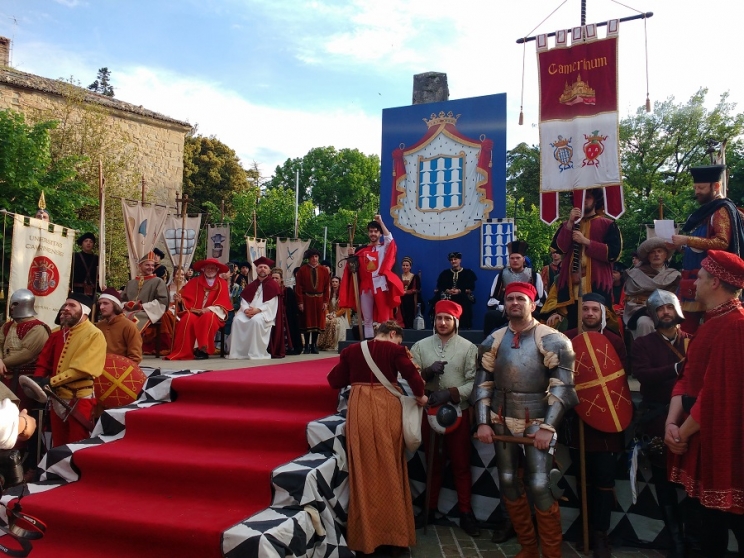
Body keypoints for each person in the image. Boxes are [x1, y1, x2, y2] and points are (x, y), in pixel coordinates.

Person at [475, 281, 578, 558]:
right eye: (510, 299)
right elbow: (483, 384)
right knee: (508, 480)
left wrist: (548, 427)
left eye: (520, 299)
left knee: (540, 484)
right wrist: (483, 421)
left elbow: (563, 388)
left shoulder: (553, 339)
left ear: (533, 304)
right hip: (501, 416)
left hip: (538, 417)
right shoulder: (493, 340)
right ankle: (529, 548)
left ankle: (552, 554)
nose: (514, 303)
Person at [665, 250, 744, 556]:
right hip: (698, 434)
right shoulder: (711, 321)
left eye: (699, 277)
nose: (693, 283)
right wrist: (672, 423)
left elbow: (717, 393)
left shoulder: (735, 325)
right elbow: (687, 376)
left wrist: (681, 433)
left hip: (723, 441)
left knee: (730, 520)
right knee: (708, 525)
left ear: (715, 282)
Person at [327, 320, 427, 555]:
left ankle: (367, 538)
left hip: (359, 409)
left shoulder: (351, 351)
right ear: (392, 334)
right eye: (398, 340)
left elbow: (334, 381)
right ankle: (395, 537)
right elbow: (413, 377)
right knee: (392, 466)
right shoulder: (395, 351)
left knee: (363, 469)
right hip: (386, 408)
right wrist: (421, 396)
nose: (398, 344)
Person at [563, 293, 627, 557]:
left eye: (594, 310)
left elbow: (619, 379)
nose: (589, 313)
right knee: (583, 479)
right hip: (577, 419)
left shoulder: (615, 341)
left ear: (602, 313)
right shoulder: (567, 338)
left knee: (603, 480)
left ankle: (600, 534)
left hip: (607, 420)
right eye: (585, 309)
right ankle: (586, 529)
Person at [409, 300, 480, 537]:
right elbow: (410, 378)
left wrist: (451, 393)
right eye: (439, 318)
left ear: (456, 321)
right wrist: (426, 373)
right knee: (432, 463)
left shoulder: (469, 348)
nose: (442, 323)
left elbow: (473, 382)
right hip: (429, 411)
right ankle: (428, 509)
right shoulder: (420, 346)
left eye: (447, 318)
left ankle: (466, 512)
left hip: (458, 412)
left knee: (461, 463)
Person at [632, 290, 690, 558]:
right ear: (653, 315)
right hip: (656, 419)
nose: (665, 312)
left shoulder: (692, 341)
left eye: (669, 307)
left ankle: (696, 539)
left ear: (677, 309)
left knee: (693, 483)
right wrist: (676, 369)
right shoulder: (643, 344)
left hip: (689, 420)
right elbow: (643, 375)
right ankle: (676, 543)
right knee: (664, 484)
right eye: (660, 309)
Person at [669, 164, 744, 333]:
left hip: (710, 281)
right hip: (694, 279)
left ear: (715, 186)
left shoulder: (721, 210)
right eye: (695, 188)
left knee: (708, 329)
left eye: (701, 188)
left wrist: (687, 239)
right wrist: (681, 247)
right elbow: (700, 249)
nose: (697, 192)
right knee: (686, 330)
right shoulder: (708, 211)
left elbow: (722, 243)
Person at [34, 293, 106, 446]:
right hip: (56, 397)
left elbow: (82, 369)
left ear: (84, 311)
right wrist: (37, 381)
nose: (66, 308)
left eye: (72, 305)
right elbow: (45, 362)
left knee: (76, 444)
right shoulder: (59, 334)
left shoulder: (94, 334)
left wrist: (50, 382)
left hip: (78, 399)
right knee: (58, 444)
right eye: (65, 305)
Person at [546, 188, 622, 330]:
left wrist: (586, 242)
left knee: (599, 326)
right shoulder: (567, 225)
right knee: (572, 326)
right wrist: (570, 223)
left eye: (588, 197)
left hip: (597, 284)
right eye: (580, 197)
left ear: (595, 200)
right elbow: (559, 248)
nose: (584, 200)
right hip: (572, 286)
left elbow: (613, 253)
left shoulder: (607, 224)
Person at [340, 215, 404, 339]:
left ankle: (386, 343)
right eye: (371, 231)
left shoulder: (383, 248)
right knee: (367, 319)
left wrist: (380, 221)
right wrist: (351, 257)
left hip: (380, 285)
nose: (373, 233)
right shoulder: (361, 251)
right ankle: (369, 344)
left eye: (375, 231)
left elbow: (390, 239)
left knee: (385, 318)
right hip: (365, 287)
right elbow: (353, 268)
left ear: (380, 234)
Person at [167, 258, 232, 360]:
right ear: (203, 269)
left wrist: (209, 309)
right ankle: (183, 351)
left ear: (217, 270)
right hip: (195, 312)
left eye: (213, 268)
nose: (210, 270)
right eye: (208, 268)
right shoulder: (194, 281)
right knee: (187, 318)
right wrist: (180, 300)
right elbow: (186, 298)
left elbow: (223, 302)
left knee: (207, 317)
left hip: (213, 313)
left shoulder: (222, 283)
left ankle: (203, 349)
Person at [621, 237, 681, 339]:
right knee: (644, 323)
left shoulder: (674, 275)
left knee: (675, 325)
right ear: (648, 257)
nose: (656, 254)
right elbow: (631, 298)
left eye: (659, 251)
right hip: (640, 309)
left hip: (666, 310)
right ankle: (644, 349)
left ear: (666, 255)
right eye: (652, 252)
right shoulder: (635, 274)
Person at [0, 289, 51, 408]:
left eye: (15, 304)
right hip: (5, 378)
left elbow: (27, 354)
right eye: (12, 304)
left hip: (24, 380)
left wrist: (3, 362)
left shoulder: (38, 328)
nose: (12, 307)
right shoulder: (7, 326)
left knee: (21, 412)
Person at [484, 240, 544, 335]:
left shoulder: (534, 275)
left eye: (518, 258)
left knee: (536, 315)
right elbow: (493, 297)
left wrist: (526, 308)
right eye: (512, 258)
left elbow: (540, 299)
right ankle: (490, 342)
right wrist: (504, 308)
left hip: (527, 309)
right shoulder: (501, 275)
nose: (515, 260)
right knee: (490, 315)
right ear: (509, 260)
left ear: (523, 259)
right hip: (505, 310)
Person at [121, 252, 174, 355]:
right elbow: (122, 299)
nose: (151, 267)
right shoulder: (131, 283)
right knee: (118, 318)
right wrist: (126, 304)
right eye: (147, 265)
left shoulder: (158, 281)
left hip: (147, 312)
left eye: (152, 265)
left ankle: (133, 347)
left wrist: (143, 306)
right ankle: (119, 345)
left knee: (134, 318)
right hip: (128, 311)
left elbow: (162, 301)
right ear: (139, 266)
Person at [228, 257, 280, 360]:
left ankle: (255, 353)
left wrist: (257, 310)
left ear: (269, 271)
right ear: (256, 270)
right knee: (237, 320)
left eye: (265, 267)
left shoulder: (273, 285)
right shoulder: (252, 284)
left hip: (263, 312)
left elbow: (271, 303)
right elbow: (244, 300)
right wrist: (246, 309)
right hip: (248, 311)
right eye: (260, 267)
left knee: (256, 321)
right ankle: (238, 353)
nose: (262, 269)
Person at [295, 248, 330, 354]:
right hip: (307, 299)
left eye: (316, 256)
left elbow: (326, 287)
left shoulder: (324, 270)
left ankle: (314, 345)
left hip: (319, 299)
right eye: (312, 257)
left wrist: (325, 302)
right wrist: (300, 302)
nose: (314, 259)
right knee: (307, 322)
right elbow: (298, 287)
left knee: (317, 322)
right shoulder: (302, 270)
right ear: (308, 258)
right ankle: (306, 345)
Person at [95, 287, 143, 364]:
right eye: (100, 304)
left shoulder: (129, 326)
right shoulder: (99, 326)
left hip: (121, 369)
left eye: (105, 303)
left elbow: (135, 357)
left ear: (115, 305)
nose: (101, 307)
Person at [434, 252, 477, 330]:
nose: (453, 261)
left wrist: (459, 291)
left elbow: (471, 288)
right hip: (448, 295)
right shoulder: (445, 273)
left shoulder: (468, 273)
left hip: (462, 295)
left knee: (464, 300)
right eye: (451, 260)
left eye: (455, 259)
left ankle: (464, 326)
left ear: (460, 260)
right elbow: (440, 286)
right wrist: (447, 290)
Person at [317, 276, 350, 351]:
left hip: (339, 316)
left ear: (339, 283)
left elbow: (344, 309)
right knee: (325, 322)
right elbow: (326, 306)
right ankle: (322, 343)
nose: (334, 283)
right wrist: (328, 314)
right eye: (333, 282)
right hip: (329, 314)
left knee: (332, 323)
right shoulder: (329, 294)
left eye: (336, 282)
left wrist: (335, 315)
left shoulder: (343, 294)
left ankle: (331, 344)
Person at [72, 232, 98, 296]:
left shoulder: (97, 259)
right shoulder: (75, 256)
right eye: (86, 241)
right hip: (76, 290)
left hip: (91, 292)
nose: (88, 243)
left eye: (91, 242)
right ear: (82, 243)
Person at [398, 256, 421, 329]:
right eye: (403, 265)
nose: (405, 267)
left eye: (407, 265)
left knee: (410, 310)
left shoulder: (414, 277)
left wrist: (406, 292)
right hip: (401, 298)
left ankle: (410, 326)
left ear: (410, 267)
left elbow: (417, 289)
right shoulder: (399, 276)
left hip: (411, 299)